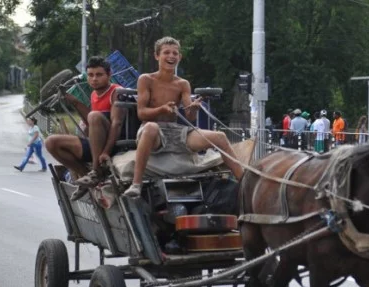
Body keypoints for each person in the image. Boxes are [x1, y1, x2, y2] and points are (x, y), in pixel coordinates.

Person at [123, 36, 244, 197]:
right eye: (166, 53)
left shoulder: (182, 84)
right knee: (151, 127)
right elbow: (141, 113)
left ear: (179, 57)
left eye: (175, 53)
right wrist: (161, 109)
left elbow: (190, 117)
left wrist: (193, 108)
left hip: (175, 131)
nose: (171, 56)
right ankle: (136, 184)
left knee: (220, 136)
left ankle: (244, 183)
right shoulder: (146, 79)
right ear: (157, 56)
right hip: (152, 131)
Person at [44, 56, 125, 200]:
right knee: (51, 142)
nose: (94, 79)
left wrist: (106, 151)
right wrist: (74, 102)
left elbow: (116, 124)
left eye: (99, 75)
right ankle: (85, 175)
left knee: (94, 116)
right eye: (91, 75)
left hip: (112, 145)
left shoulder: (116, 92)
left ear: (109, 75)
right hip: (95, 144)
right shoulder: (94, 94)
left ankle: (96, 172)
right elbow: (91, 124)